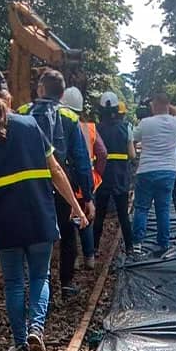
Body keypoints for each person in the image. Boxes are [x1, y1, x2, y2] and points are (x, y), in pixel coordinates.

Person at [0, 91, 88, 351]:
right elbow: (57, 171)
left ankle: (20, 343)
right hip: (38, 216)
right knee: (39, 276)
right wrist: (76, 207)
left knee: (13, 282)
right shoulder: (31, 125)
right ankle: (36, 328)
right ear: (9, 101)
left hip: (2, 220)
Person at [17, 69, 95, 297]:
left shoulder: (21, 113)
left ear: (40, 89)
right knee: (68, 234)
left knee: (32, 235)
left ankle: (34, 285)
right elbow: (81, 160)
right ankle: (67, 284)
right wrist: (87, 196)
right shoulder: (70, 118)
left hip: (28, 186)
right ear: (62, 95)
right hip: (61, 185)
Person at [131, 92, 176, 256]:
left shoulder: (146, 123)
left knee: (141, 208)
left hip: (146, 170)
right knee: (163, 209)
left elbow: (132, 139)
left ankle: (137, 244)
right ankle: (163, 243)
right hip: (168, 171)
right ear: (168, 106)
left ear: (153, 106)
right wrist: (169, 106)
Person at [60, 87, 107, 270]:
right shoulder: (90, 128)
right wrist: (97, 175)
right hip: (86, 181)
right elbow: (103, 154)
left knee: (68, 221)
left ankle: (74, 261)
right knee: (86, 219)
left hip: (64, 182)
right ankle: (89, 258)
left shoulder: (55, 123)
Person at [93, 92, 135, 254]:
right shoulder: (126, 128)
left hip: (102, 176)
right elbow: (132, 155)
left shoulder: (95, 129)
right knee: (123, 215)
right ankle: (130, 247)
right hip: (121, 176)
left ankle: (95, 248)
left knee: (100, 215)